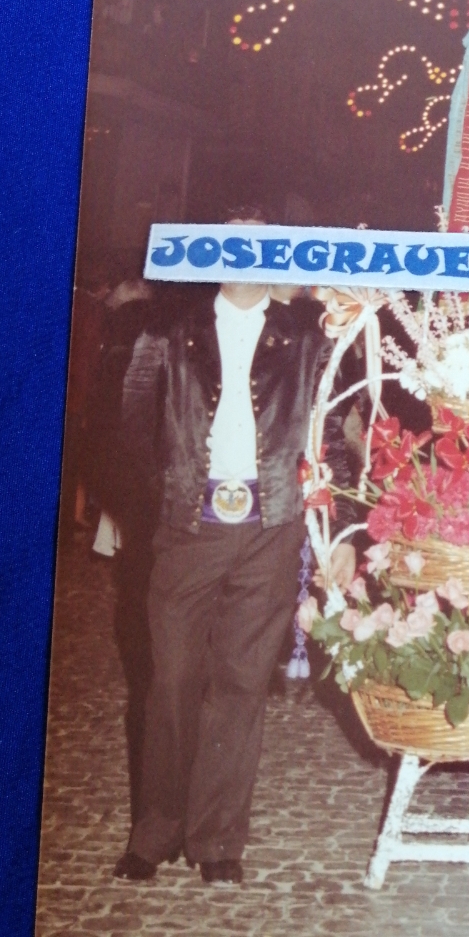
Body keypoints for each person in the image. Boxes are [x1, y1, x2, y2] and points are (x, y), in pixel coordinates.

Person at [113, 238, 356, 885]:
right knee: (170, 681)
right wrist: (161, 507)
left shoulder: (307, 340)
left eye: (262, 240)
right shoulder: (169, 329)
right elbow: (132, 429)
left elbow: (332, 435)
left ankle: (217, 842)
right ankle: (156, 830)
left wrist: (344, 531)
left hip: (269, 528)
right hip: (188, 528)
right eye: (236, 238)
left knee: (242, 684)